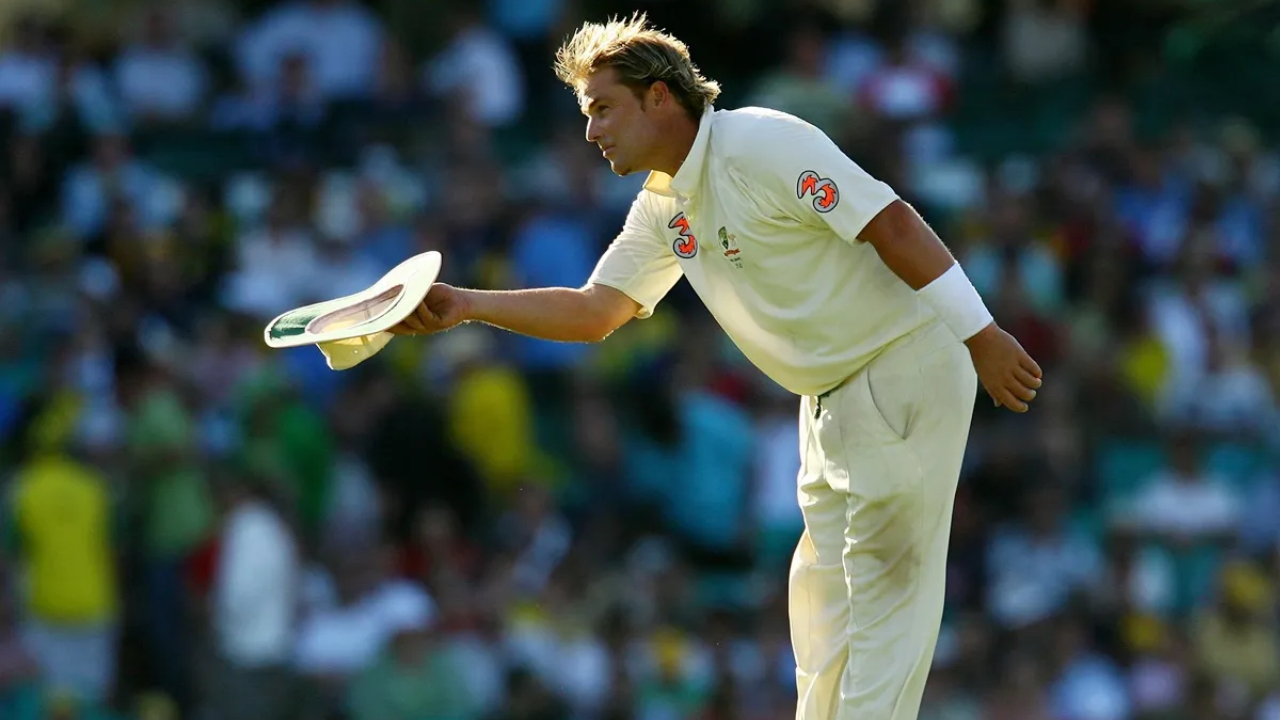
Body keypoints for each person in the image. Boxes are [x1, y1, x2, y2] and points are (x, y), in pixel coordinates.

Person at [391, 13, 1042, 720]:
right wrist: (465, 304)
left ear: (661, 97)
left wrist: (982, 332)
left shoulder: (760, 142)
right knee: (821, 604)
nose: (591, 132)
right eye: (587, 115)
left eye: (604, 108)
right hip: (827, 398)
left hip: (903, 361)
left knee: (885, 586)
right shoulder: (663, 207)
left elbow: (891, 222)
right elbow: (595, 311)